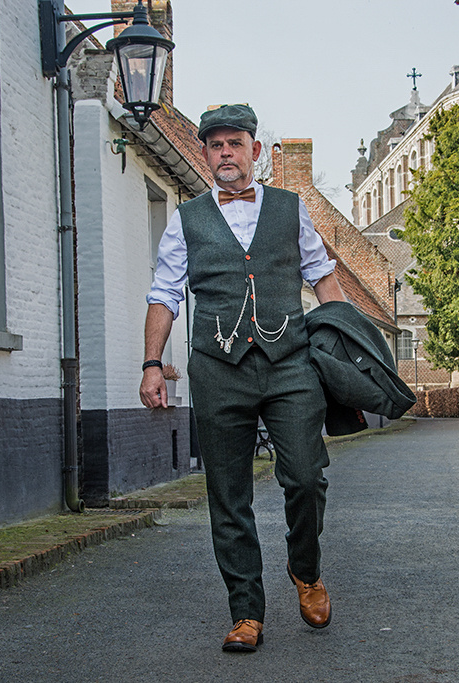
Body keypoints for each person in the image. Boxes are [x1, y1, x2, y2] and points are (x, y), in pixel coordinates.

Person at [139, 104, 345, 653]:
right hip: (218, 368)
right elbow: (164, 294)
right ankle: (246, 613)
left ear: (255, 150)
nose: (226, 152)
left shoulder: (289, 209)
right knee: (228, 495)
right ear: (204, 154)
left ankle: (306, 569)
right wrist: (152, 363)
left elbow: (323, 278)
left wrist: (345, 345)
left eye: (236, 143)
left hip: (290, 366)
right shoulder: (186, 219)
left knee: (304, 476)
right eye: (216, 145)